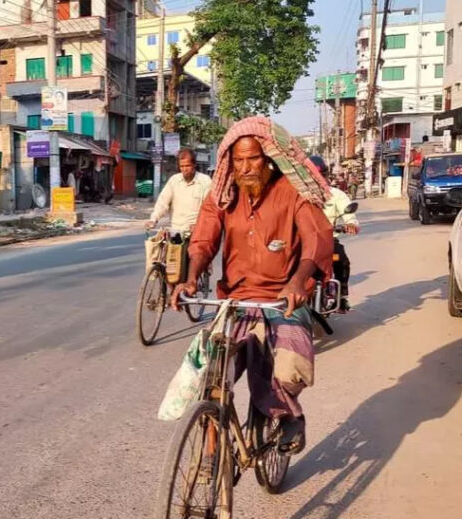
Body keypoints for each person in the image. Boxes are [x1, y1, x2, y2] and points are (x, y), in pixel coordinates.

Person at [172, 117, 334, 454]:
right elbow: (202, 241)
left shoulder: (292, 193)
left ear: (270, 158)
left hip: (282, 302)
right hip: (236, 302)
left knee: (287, 372)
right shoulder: (223, 196)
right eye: (238, 160)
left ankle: (291, 419)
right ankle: (212, 457)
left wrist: (298, 281)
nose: (246, 168)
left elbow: (316, 239)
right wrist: (189, 278)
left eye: (254, 158)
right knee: (212, 375)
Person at [309, 155, 359, 312]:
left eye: (320, 175)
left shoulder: (336, 195)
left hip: (328, 240)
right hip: (304, 241)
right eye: (311, 176)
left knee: (341, 259)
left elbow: (349, 214)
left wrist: (350, 224)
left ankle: (341, 295)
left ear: (325, 175)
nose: (316, 180)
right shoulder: (297, 194)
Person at [145, 148, 213, 233]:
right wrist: (153, 219)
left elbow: (209, 208)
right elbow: (162, 203)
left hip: (198, 232)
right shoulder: (174, 180)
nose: (185, 169)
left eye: (188, 166)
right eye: (182, 166)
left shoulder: (205, 181)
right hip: (176, 232)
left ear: (194, 164)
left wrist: (200, 225)